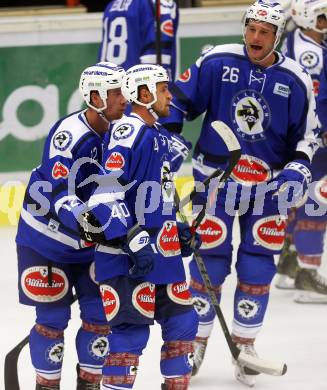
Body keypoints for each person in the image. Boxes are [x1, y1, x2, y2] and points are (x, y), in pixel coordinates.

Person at [159, 0, 320, 386]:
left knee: (257, 266)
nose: (255, 37)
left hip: (269, 187)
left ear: (277, 36)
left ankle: (245, 347)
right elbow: (178, 100)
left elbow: (308, 134)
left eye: (264, 32)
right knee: (208, 264)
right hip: (215, 181)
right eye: (251, 29)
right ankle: (194, 343)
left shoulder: (295, 77)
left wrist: (298, 167)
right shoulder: (216, 61)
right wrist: (164, 139)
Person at [80, 64, 199, 390]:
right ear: (144, 94)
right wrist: (129, 237)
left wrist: (177, 228)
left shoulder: (158, 135)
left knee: (183, 324)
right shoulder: (127, 131)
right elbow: (104, 195)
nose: (169, 95)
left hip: (162, 254)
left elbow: (155, 194)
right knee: (131, 333)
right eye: (163, 89)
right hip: (124, 256)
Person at [15, 62, 126, 390]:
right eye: (116, 92)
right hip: (46, 241)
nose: (124, 99)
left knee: (99, 317)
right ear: (94, 98)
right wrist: (101, 230)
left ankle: (88, 385)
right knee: (51, 321)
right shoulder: (68, 135)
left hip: (91, 244)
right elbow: (62, 196)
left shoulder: (125, 131)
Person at [275, 0, 327, 303]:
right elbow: (315, 101)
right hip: (313, 139)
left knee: (299, 197)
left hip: (295, 137)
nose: (325, 21)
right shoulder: (313, 52)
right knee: (317, 199)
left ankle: (290, 263)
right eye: (321, 16)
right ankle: (307, 270)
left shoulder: (294, 39)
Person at [98, 0, 179, 82]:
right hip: (137, 86)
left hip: (111, 85)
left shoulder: (111, 5)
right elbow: (157, 56)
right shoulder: (159, 4)